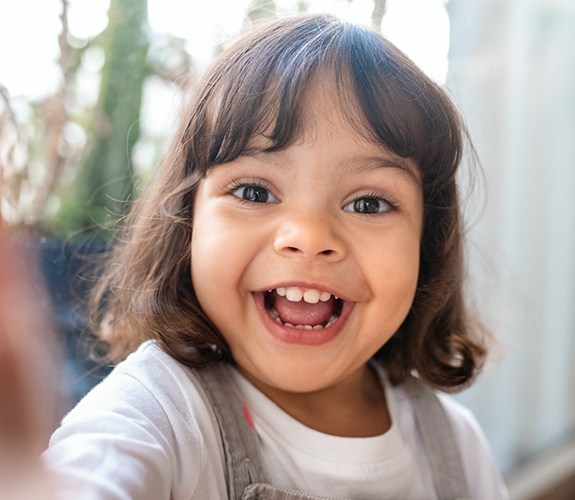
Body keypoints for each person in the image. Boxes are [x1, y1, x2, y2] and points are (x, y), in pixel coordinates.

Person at [43, 14, 508, 499]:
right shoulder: (161, 411)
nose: (307, 237)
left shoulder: (456, 448)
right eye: (254, 191)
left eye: (368, 203)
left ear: (427, 245)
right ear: (187, 222)